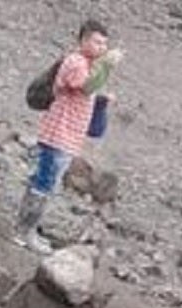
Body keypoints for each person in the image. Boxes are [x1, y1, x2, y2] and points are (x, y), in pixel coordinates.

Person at [13, 19, 122, 254]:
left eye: (104, 44)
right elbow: (86, 87)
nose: (101, 47)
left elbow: (88, 93)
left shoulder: (89, 66)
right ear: (83, 40)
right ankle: (25, 232)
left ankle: (25, 228)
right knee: (45, 183)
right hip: (58, 134)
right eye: (96, 41)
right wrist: (106, 66)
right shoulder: (76, 62)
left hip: (68, 137)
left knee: (44, 181)